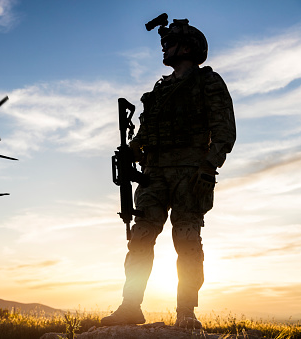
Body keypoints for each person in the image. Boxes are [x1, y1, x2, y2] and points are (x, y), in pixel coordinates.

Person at [101, 17, 236, 329]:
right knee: (140, 239)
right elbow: (145, 135)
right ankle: (130, 306)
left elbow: (224, 130)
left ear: (188, 47)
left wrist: (209, 166)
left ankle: (186, 312)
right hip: (154, 175)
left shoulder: (208, 83)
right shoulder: (158, 92)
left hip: (190, 173)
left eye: (170, 42)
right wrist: (131, 151)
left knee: (187, 241)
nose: (164, 47)